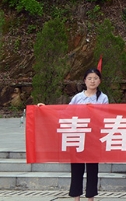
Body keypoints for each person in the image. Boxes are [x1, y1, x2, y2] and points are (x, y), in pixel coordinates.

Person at [37, 68, 109, 201]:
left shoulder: (103, 98)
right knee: (76, 168)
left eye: (95, 78)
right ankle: (76, 197)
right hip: (77, 136)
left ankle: (91, 197)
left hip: (93, 137)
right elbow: (66, 112)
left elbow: (105, 116)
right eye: (89, 78)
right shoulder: (78, 97)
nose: (92, 81)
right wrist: (46, 109)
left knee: (92, 168)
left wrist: (93, 110)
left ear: (100, 81)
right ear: (84, 81)